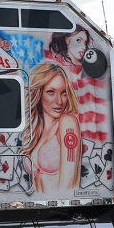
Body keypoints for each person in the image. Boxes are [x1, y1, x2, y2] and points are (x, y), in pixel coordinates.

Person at [23, 62, 81, 194]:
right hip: (42, 206)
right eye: (51, 92)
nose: (59, 101)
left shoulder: (67, 122)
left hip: (60, 205)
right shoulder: (37, 131)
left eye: (64, 93)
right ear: (39, 93)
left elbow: (68, 185)